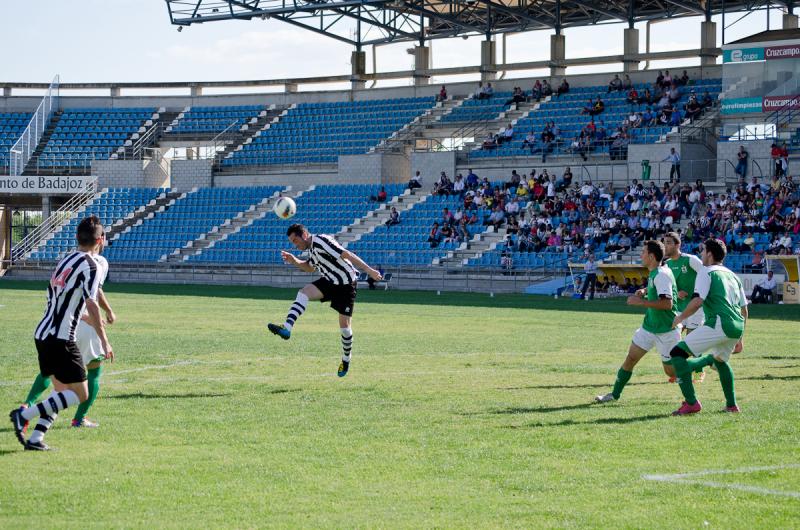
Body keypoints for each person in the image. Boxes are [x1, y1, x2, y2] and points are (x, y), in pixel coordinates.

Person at [9, 216, 113, 451]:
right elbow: (92, 303)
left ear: (78, 237)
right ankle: (24, 415)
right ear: (99, 240)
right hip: (62, 338)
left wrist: (80, 317)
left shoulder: (64, 260)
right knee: (81, 394)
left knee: (61, 390)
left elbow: (58, 299)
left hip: (43, 332)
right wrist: (104, 340)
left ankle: (35, 439)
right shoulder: (92, 265)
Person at [267, 224, 382, 377]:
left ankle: (346, 360)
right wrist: (294, 260)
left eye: (296, 240)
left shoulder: (322, 241)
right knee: (303, 292)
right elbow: (310, 268)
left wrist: (369, 270)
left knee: (345, 327)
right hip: (329, 281)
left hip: (346, 284)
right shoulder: (312, 250)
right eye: (292, 242)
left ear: (305, 235)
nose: (295, 245)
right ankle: (287, 327)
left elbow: (346, 254)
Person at [595, 240, 681, 403]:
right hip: (649, 327)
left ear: (651, 256)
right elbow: (656, 291)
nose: (640, 255)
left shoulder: (662, 275)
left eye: (643, 252)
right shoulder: (656, 272)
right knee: (631, 359)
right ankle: (614, 395)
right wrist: (645, 291)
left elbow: (667, 303)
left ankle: (699, 367)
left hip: (667, 330)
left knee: (671, 372)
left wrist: (640, 302)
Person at [668, 238, 747, 415]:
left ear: (710, 254)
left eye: (703, 251)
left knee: (677, 354)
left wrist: (680, 317)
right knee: (721, 361)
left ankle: (691, 403)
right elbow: (744, 309)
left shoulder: (706, 272)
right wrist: (741, 337)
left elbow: (697, 301)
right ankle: (732, 405)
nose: (701, 254)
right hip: (736, 326)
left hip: (719, 323)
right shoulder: (732, 275)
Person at [663, 232, 706, 382]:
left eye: (668, 242)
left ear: (677, 244)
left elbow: (706, 275)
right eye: (664, 242)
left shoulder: (690, 260)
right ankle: (678, 371)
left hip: (695, 308)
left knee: (693, 339)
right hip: (678, 308)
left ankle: (698, 372)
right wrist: (676, 293)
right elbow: (668, 287)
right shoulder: (667, 264)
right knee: (674, 340)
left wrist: (696, 293)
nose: (665, 245)